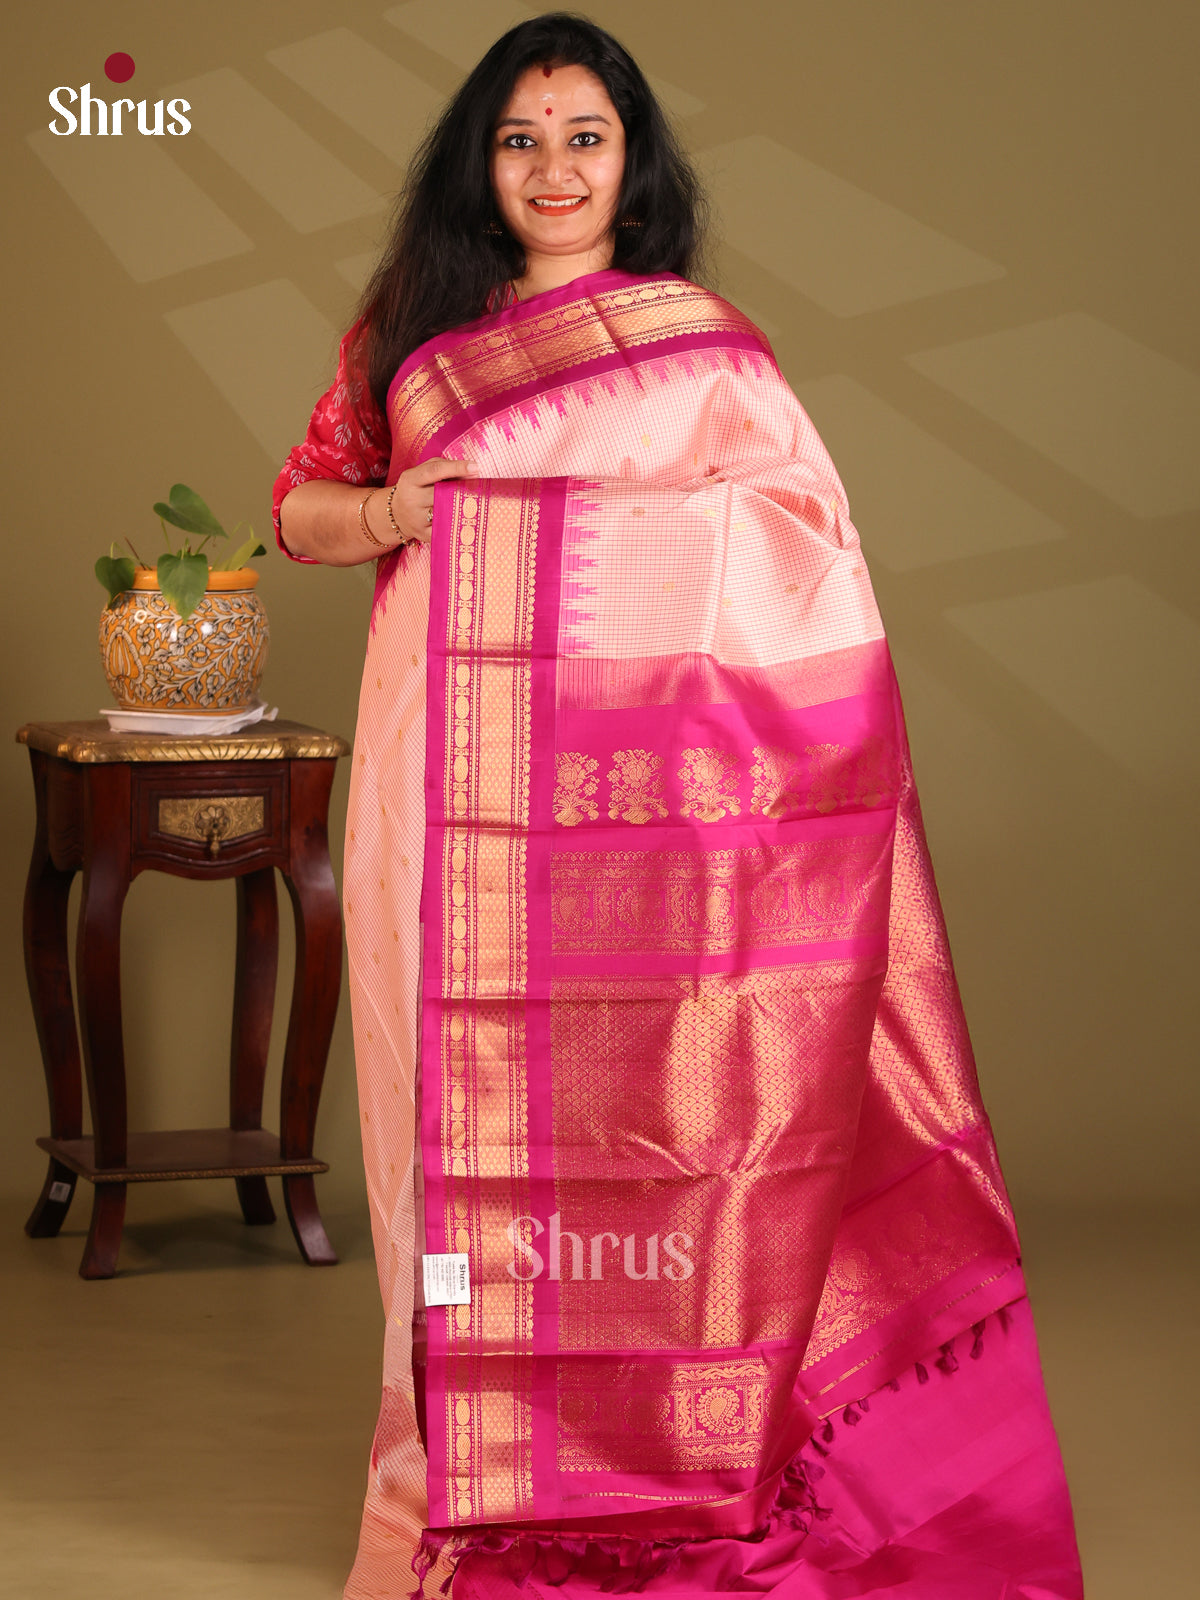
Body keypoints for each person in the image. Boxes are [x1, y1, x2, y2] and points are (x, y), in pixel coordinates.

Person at [274, 14, 1082, 1598]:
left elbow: (795, 540)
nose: (553, 169)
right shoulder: (415, 336)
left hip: (649, 816)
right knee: (451, 1124)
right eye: (520, 140)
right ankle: (469, 1473)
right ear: (478, 165)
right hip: (444, 804)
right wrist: (395, 508)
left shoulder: (699, 346)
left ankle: (670, 1454)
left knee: (664, 1118)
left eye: (585, 137)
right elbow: (302, 511)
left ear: (631, 161)